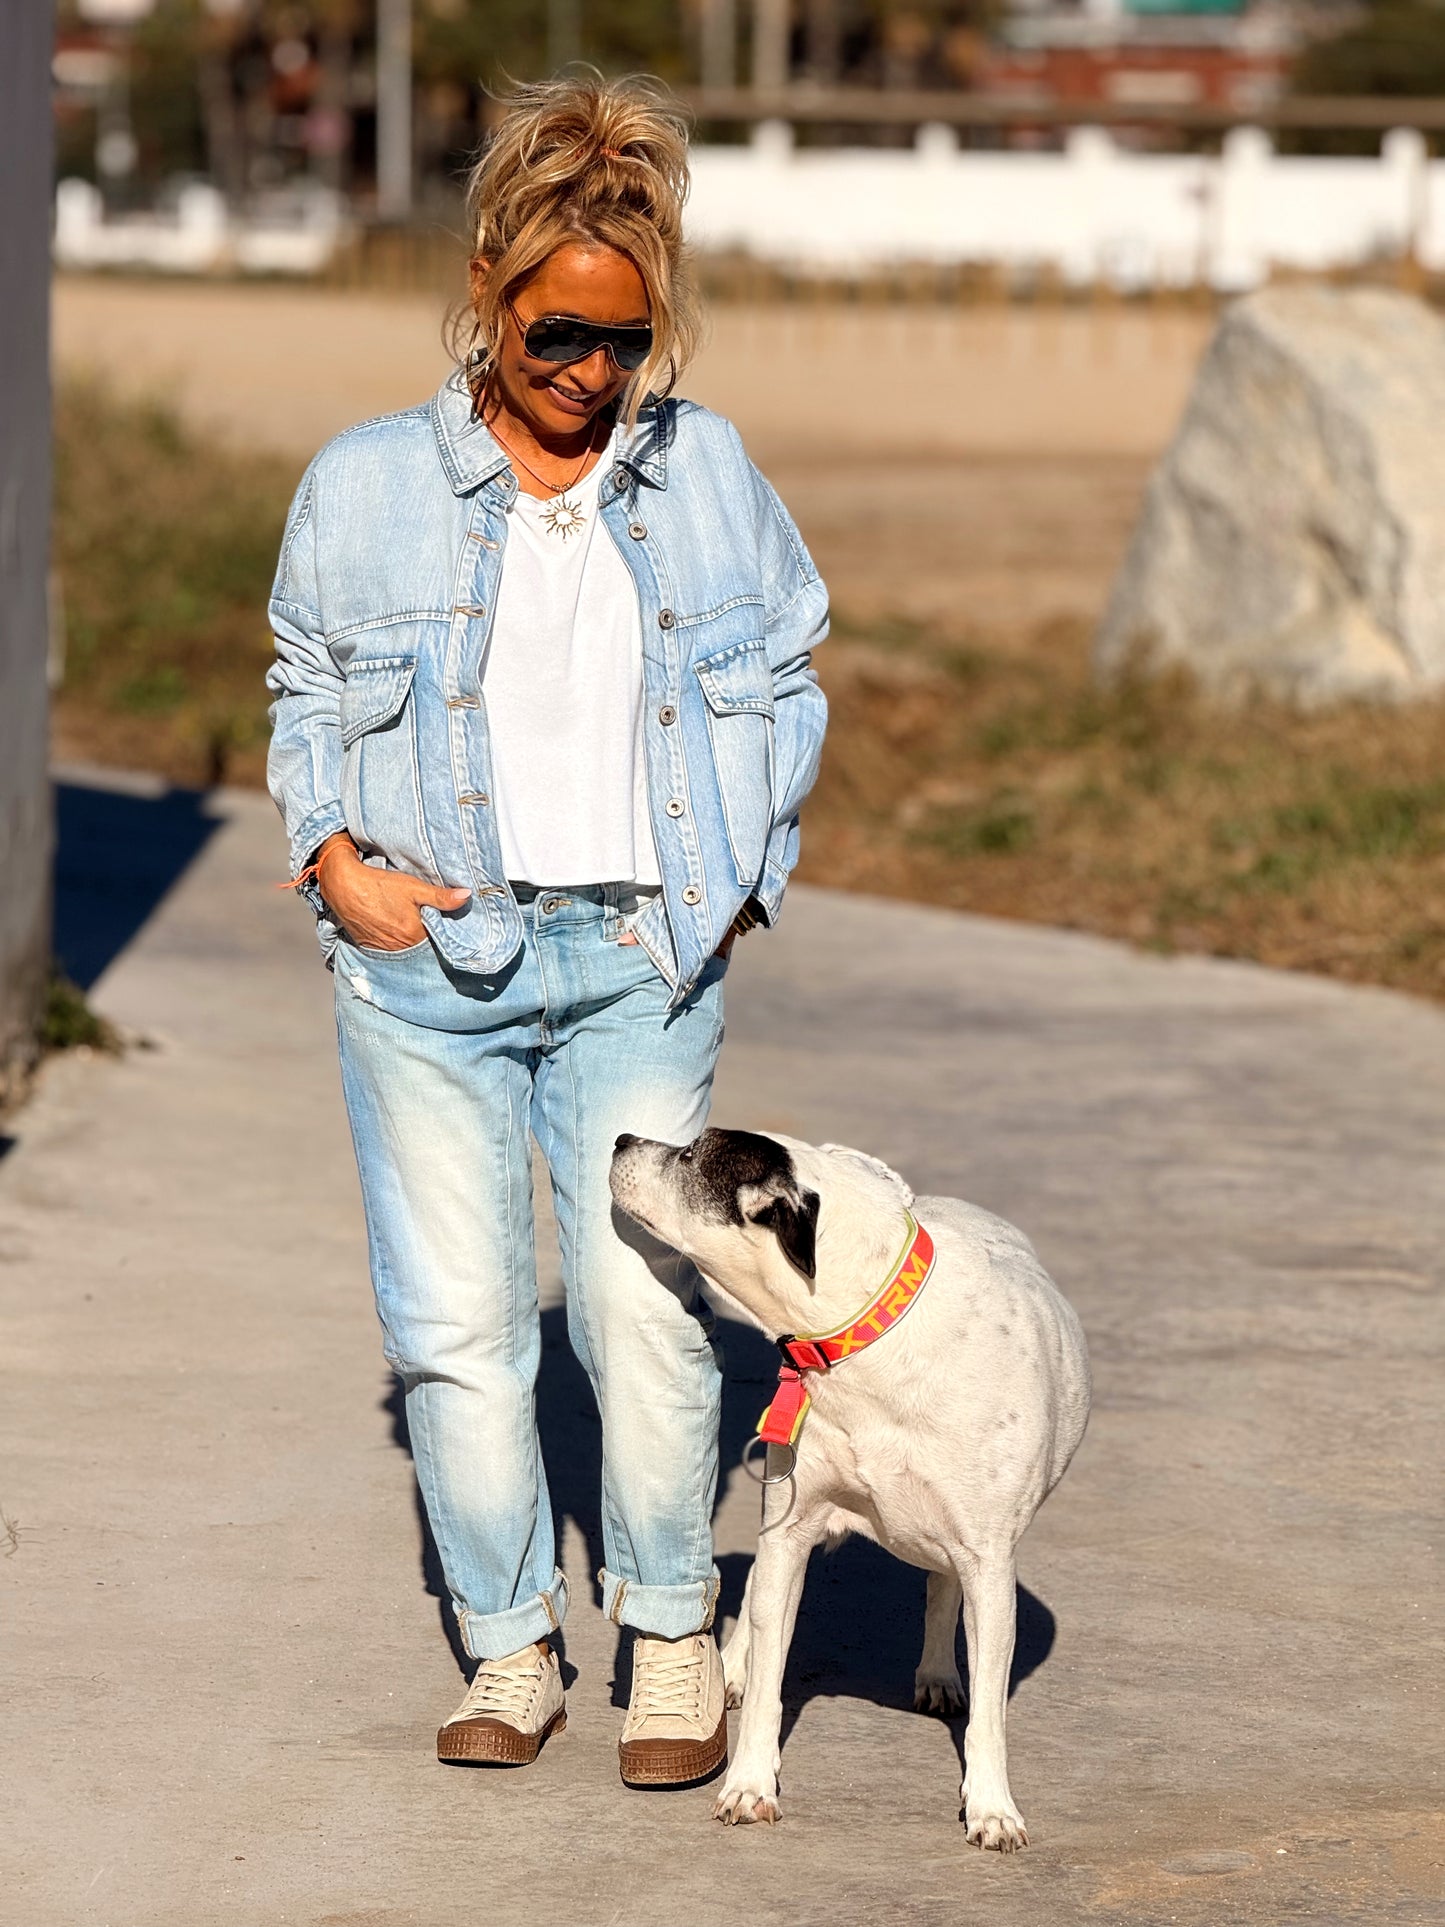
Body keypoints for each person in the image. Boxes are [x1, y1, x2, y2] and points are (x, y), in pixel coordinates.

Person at [265, 73, 827, 1788]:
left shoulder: (704, 469)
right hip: (426, 963)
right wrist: (332, 861)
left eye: (623, 343)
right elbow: (304, 683)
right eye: (557, 334)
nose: (588, 372)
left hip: (639, 962)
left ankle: (671, 1637)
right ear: (488, 293)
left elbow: (788, 662)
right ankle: (510, 1647)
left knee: (641, 1313)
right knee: (456, 1327)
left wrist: (741, 875)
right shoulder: (366, 483)